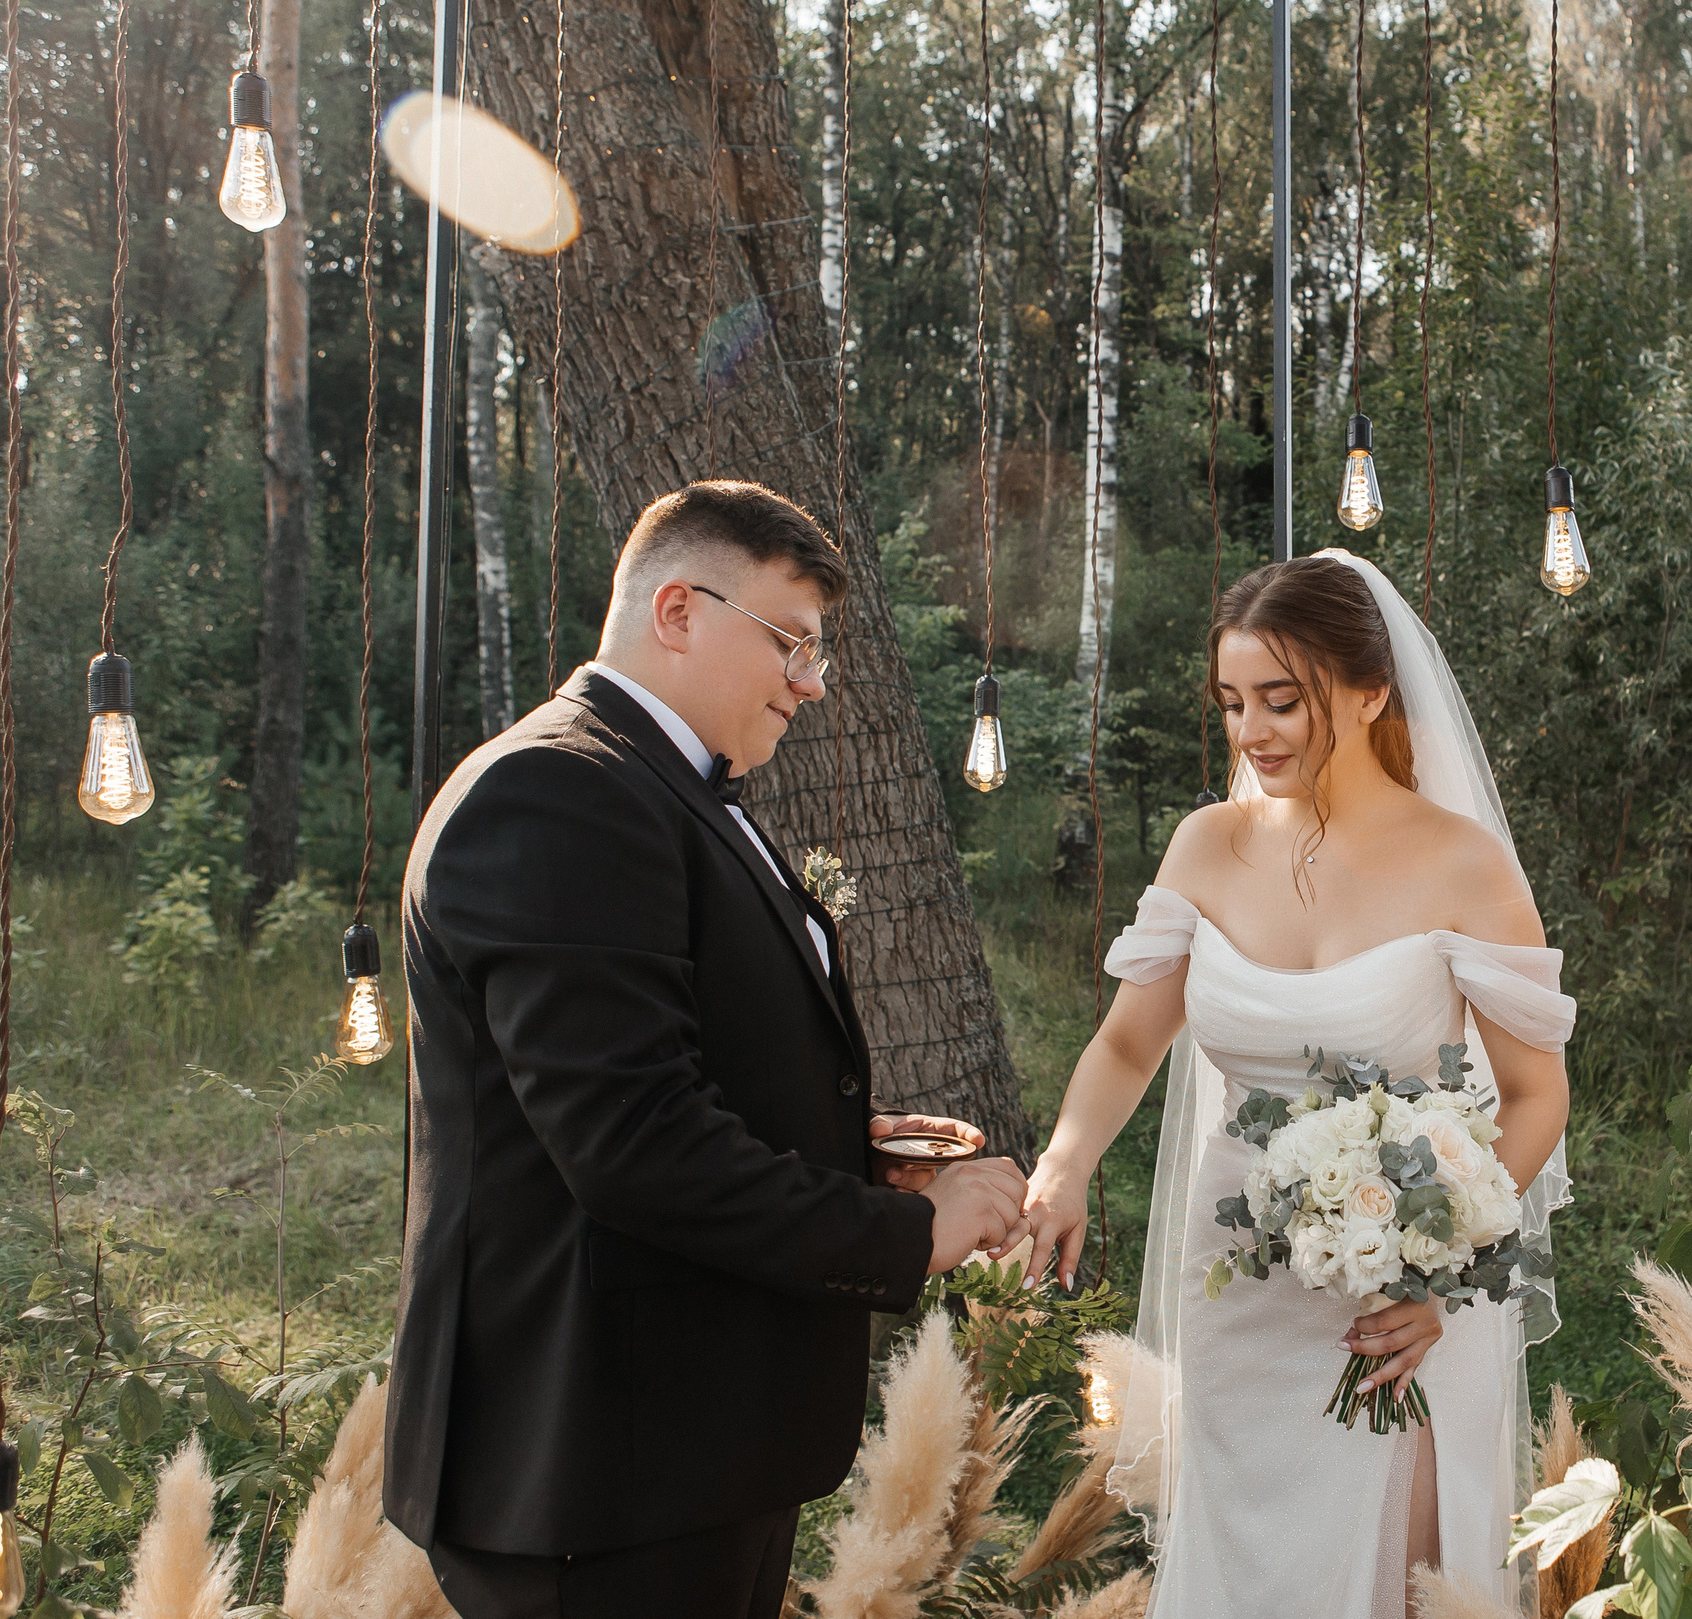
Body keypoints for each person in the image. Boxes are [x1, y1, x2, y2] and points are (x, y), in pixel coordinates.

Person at [386, 480, 1031, 1619]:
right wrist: (909, 1231)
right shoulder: (558, 794)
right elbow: (632, 1143)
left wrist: (844, 1146)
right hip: (595, 1466)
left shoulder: (661, 791)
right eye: (791, 642)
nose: (811, 682)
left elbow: (660, 1068)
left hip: (679, 1449)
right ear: (676, 609)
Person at [1020, 549, 1575, 1619]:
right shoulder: (1207, 845)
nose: (1252, 731)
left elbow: (1536, 1096)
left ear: (1370, 693)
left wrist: (1444, 1276)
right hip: (1237, 1287)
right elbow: (1129, 1046)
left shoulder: (1463, 865)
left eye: (1282, 699)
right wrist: (1066, 1163)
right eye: (1232, 702)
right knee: (1245, 1567)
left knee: (1385, 1576)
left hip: (1403, 1300)